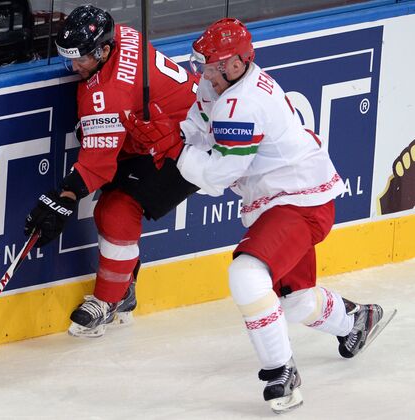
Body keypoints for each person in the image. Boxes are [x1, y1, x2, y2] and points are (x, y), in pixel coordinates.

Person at [122, 18, 387, 413]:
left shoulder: (242, 105)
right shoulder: (221, 84)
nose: (201, 72)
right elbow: (198, 126)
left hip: (298, 201)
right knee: (296, 302)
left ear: (232, 64)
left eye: (209, 65)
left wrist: (173, 151)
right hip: (279, 199)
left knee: (246, 274)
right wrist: (171, 134)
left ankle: (281, 372)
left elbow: (215, 177)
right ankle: (356, 322)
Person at [24, 5, 198, 338]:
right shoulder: (120, 36)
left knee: (115, 209)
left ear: (104, 51)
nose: (74, 67)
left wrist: (63, 198)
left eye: (81, 60)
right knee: (112, 199)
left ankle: (110, 300)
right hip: (155, 132)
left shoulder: (108, 93)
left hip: (183, 146)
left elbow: (96, 166)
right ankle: (124, 288)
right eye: (68, 58)